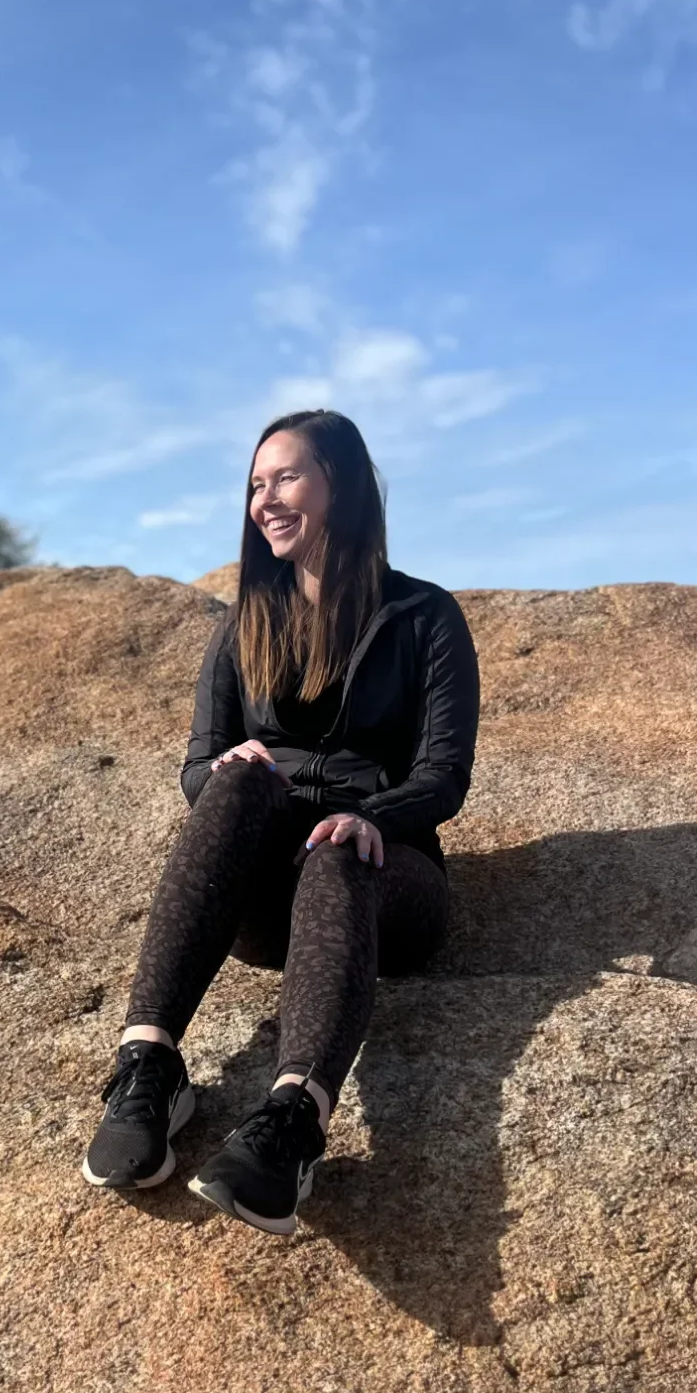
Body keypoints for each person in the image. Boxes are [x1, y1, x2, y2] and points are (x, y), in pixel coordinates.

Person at [82, 409, 480, 1236]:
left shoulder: (424, 618)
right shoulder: (241, 625)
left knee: (339, 849)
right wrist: (233, 772)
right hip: (265, 907)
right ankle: (148, 1067)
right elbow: (198, 763)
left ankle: (292, 1125)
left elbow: (444, 777)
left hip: (384, 880)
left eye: (287, 477)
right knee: (232, 784)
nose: (266, 499)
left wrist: (369, 814)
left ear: (343, 484)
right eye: (256, 485)